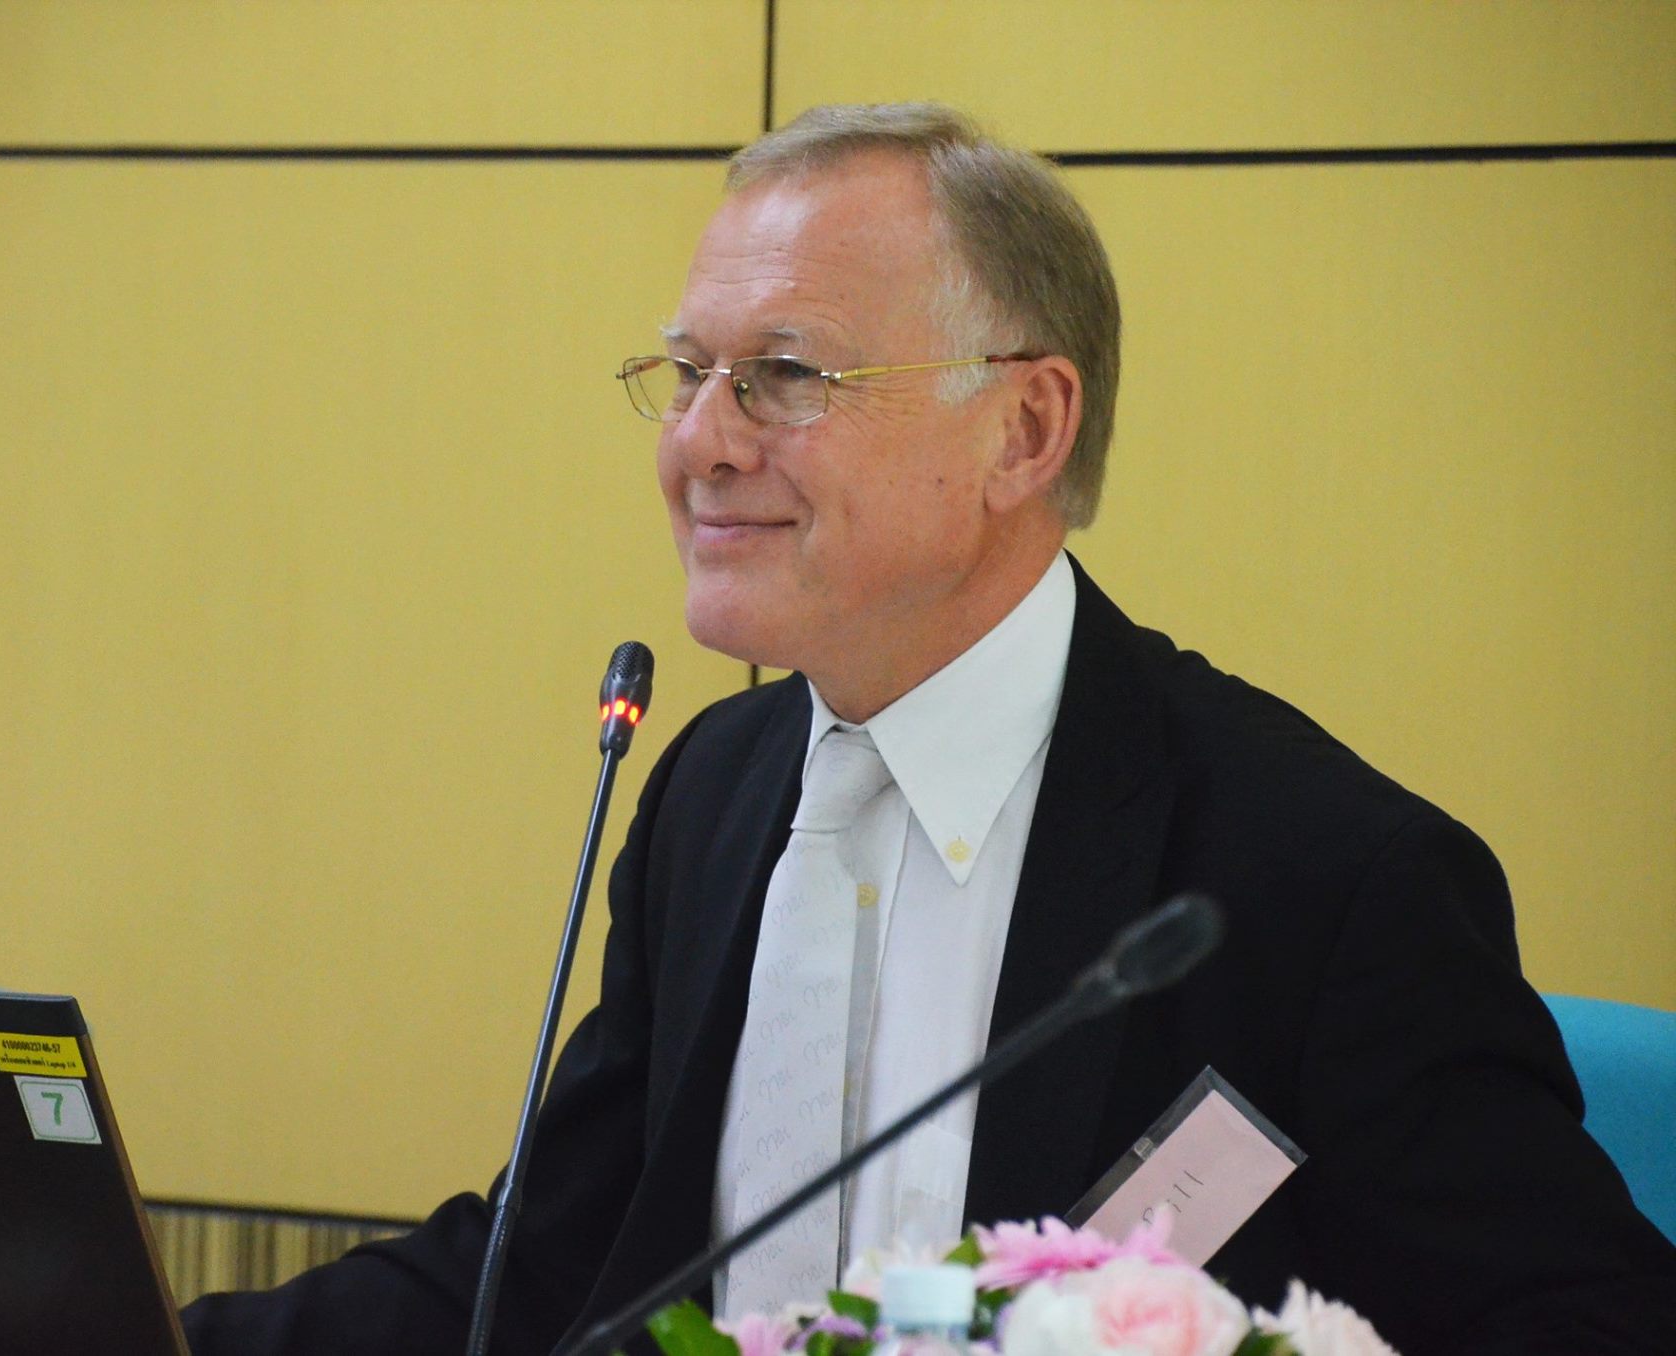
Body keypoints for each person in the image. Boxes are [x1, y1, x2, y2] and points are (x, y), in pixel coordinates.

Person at [182, 103, 1676, 1354]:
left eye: (783, 376)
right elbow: (545, 1268)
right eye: (688, 373)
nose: (699, 442)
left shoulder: (1318, 879)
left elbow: (1584, 1323)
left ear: (1024, 429)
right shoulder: (711, 792)